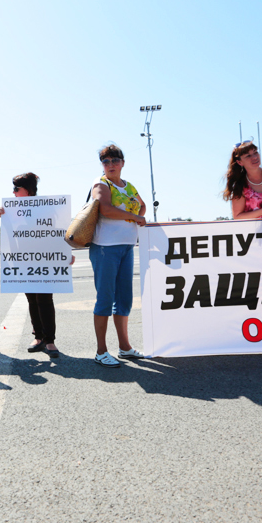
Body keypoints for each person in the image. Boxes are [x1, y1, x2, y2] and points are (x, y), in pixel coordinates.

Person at [89, 144, 147, 367]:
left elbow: (141, 206)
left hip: (126, 246)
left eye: (115, 160)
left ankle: (124, 347)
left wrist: (137, 216)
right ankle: (101, 351)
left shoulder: (128, 185)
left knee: (124, 299)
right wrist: (134, 218)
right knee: (105, 298)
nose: (111, 165)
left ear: (123, 162)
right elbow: (105, 209)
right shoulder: (100, 183)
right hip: (105, 247)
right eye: (106, 161)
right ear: (102, 165)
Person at [0, 172, 63, 358]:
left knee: (45, 299)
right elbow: (10, 236)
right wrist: (5, 217)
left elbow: (55, 232)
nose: (13, 192)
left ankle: (50, 340)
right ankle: (38, 336)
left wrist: (64, 254)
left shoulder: (46, 207)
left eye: (17, 188)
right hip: (23, 259)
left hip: (44, 259)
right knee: (32, 300)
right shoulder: (12, 210)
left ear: (28, 190)